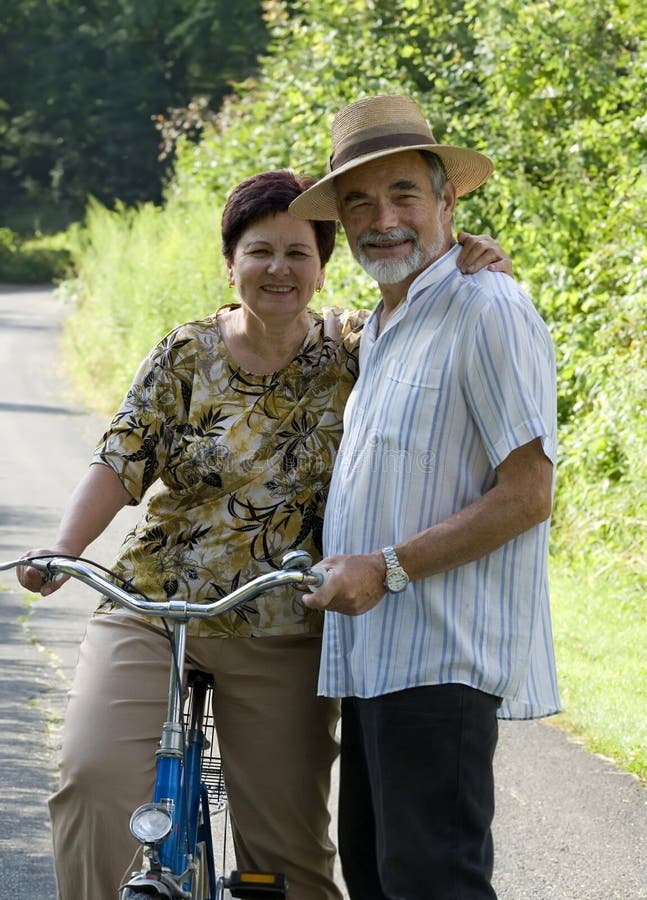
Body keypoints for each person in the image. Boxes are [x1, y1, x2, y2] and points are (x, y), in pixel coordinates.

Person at [17, 168, 512, 900]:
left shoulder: (354, 346)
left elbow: (426, 301)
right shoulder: (185, 352)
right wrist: (64, 548)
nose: (277, 269)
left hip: (283, 620)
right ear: (230, 262)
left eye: (296, 253)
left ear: (320, 268)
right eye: (258, 251)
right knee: (92, 785)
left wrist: (472, 254)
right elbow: (121, 460)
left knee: (286, 854)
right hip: (152, 609)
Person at [290, 95, 560, 900]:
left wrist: (387, 568)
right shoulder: (380, 325)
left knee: (433, 882)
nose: (383, 218)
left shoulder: (489, 308)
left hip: (439, 659)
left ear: (449, 202)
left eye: (404, 193)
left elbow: (528, 495)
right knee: (379, 878)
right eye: (360, 202)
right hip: (376, 661)